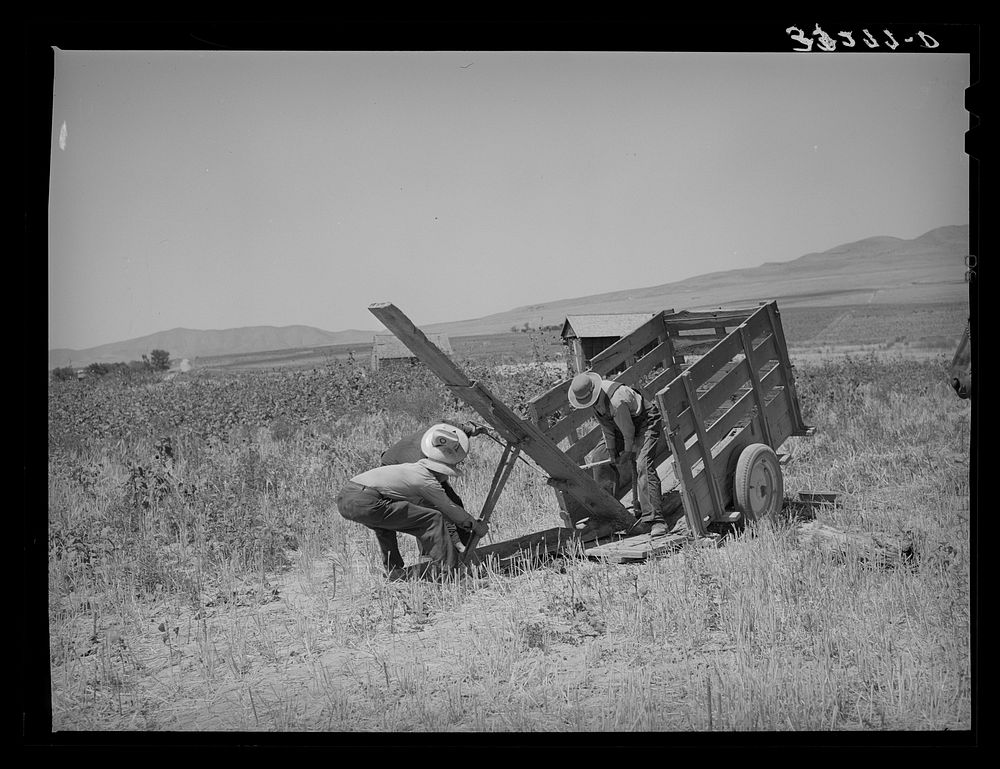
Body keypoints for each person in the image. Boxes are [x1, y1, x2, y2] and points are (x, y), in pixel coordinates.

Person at [336, 425, 488, 580]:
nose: (447, 479)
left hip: (346, 498)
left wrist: (457, 539)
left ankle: (394, 571)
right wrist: (475, 526)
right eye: (447, 475)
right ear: (441, 471)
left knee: (385, 527)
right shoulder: (427, 480)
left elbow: (438, 509)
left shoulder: (413, 470)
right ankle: (452, 574)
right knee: (432, 519)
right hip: (365, 499)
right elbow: (448, 508)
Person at [568, 371, 671, 537]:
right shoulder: (595, 401)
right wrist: (610, 452)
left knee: (642, 464)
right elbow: (607, 428)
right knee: (599, 456)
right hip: (620, 425)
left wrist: (628, 451)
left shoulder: (616, 400)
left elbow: (628, 431)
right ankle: (608, 513)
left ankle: (656, 520)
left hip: (644, 421)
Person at [380, 421, 488, 557]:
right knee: (427, 516)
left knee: (455, 502)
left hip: (415, 467)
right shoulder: (419, 468)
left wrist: (470, 430)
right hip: (395, 471)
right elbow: (441, 507)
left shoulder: (440, 434)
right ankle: (430, 558)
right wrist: (457, 542)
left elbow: (446, 423)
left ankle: (465, 551)